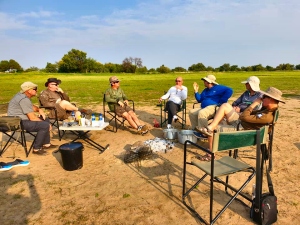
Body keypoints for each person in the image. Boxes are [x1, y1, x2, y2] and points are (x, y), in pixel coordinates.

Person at [196, 87, 284, 161]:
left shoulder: (267, 116)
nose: (261, 98)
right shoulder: (268, 110)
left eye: (264, 97)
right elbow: (248, 115)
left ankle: (210, 154)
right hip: (241, 123)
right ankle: (211, 127)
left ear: (271, 99)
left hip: (242, 129)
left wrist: (254, 104)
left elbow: (244, 117)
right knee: (225, 105)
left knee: (214, 130)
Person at [193, 76, 262, 138]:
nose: (245, 84)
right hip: (235, 113)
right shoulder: (246, 93)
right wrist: (235, 107)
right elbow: (236, 102)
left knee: (224, 107)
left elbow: (256, 109)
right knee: (221, 116)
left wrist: (240, 108)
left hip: (243, 116)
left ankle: (207, 131)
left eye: (247, 83)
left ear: (251, 85)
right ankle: (207, 131)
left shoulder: (260, 96)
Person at [7, 82, 57, 155]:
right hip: (18, 122)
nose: (36, 90)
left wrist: (39, 110)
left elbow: (31, 107)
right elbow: (32, 118)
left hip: (18, 120)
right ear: (29, 90)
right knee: (44, 125)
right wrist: (47, 124)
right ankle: (36, 149)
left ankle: (46, 144)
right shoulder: (24, 99)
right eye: (35, 89)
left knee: (45, 119)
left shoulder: (22, 96)